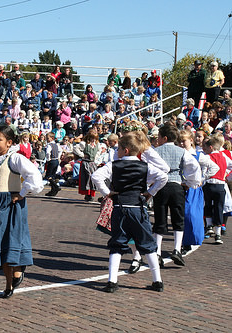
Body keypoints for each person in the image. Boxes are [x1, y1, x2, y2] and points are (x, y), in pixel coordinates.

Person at [91, 132, 168, 293]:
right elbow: (163, 177)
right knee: (147, 244)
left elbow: (96, 176)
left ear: (125, 150)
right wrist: (150, 192)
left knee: (117, 243)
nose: (117, 151)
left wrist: (107, 192)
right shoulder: (145, 166)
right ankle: (157, 281)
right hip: (138, 208)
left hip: (119, 208)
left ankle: (112, 281)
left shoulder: (114, 164)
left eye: (118, 148)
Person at [0, 125, 44, 298]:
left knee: (11, 238)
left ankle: (15, 275)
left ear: (9, 142)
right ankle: (8, 282)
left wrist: (21, 194)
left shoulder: (15, 159)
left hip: (11, 203)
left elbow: (34, 176)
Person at [153, 123, 201, 267]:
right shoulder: (182, 152)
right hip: (176, 186)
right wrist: (190, 182)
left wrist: (151, 183)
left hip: (161, 187)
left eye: (159, 137)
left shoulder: (156, 151)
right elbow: (193, 167)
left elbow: (149, 168)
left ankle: (157, 252)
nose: (158, 139)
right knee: (178, 219)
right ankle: (176, 249)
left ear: (164, 137)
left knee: (160, 220)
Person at [179, 130, 218, 252]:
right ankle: (182, 243)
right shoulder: (178, 153)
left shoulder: (198, 155)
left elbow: (214, 167)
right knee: (180, 216)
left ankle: (189, 241)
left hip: (193, 189)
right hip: (180, 187)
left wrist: (202, 178)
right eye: (179, 141)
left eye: (183, 141)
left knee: (190, 215)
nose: (181, 143)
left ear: (191, 140)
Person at [44, 132, 62, 196]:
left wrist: (48, 159)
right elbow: (60, 150)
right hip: (56, 160)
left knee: (48, 176)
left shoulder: (49, 145)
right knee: (53, 176)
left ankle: (56, 187)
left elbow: (48, 153)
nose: (47, 139)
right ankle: (53, 191)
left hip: (52, 161)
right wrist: (58, 157)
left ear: (52, 138)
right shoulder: (56, 144)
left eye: (48, 138)